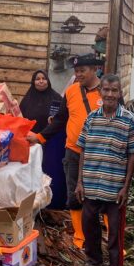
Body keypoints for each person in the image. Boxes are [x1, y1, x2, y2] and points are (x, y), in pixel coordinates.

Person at [27, 53, 104, 248]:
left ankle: (106, 236)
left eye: (82, 71)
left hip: (100, 154)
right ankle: (79, 236)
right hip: (73, 150)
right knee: (73, 194)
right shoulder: (71, 91)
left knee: (101, 194)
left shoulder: (107, 91)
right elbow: (60, 119)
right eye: (76, 71)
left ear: (94, 69)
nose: (78, 75)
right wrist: (40, 137)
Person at [75, 74, 134, 266]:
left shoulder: (129, 120)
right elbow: (83, 150)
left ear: (120, 93)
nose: (110, 94)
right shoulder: (91, 118)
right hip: (91, 182)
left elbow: (133, 154)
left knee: (115, 231)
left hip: (115, 186)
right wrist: (79, 182)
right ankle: (94, 259)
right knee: (89, 224)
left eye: (114, 90)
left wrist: (126, 186)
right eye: (106, 90)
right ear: (100, 92)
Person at [19, 69, 67, 209]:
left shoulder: (57, 99)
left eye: (43, 78)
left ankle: (50, 201)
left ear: (48, 81)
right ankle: (33, 202)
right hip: (31, 143)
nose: (41, 81)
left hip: (50, 143)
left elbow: (61, 120)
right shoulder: (27, 99)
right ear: (33, 82)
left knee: (48, 170)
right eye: (37, 79)